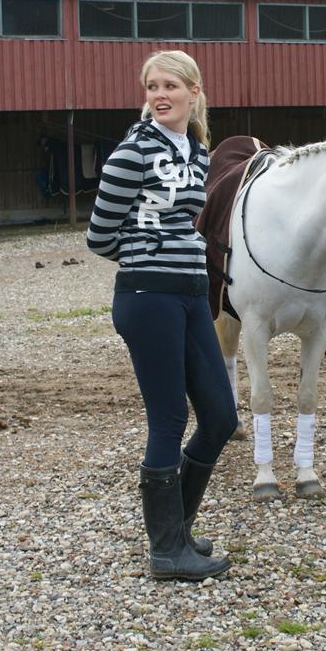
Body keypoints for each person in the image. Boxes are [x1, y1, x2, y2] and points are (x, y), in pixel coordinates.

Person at [86, 50, 237, 581]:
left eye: (171, 85)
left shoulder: (197, 152)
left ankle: (176, 528)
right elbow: (99, 235)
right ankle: (167, 550)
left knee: (220, 416)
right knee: (170, 419)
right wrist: (147, 252)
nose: (160, 95)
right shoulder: (132, 153)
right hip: (148, 296)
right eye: (153, 86)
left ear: (195, 93)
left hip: (193, 295)